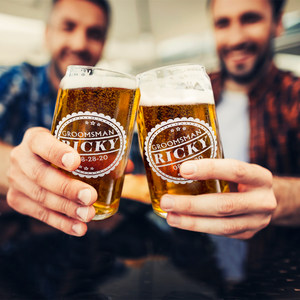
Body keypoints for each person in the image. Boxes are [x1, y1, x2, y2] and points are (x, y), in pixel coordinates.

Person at [160, 0, 300, 239]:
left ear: (277, 23)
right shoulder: (186, 96)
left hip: (273, 266)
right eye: (223, 23)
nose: (235, 39)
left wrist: (278, 198)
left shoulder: (294, 97)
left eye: (250, 19)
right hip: (198, 266)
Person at [0, 0, 115, 236]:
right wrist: (18, 167)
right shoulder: (17, 82)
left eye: (94, 33)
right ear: (47, 34)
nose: (79, 43)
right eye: (68, 27)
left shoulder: (111, 105)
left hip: (85, 246)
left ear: (104, 43)